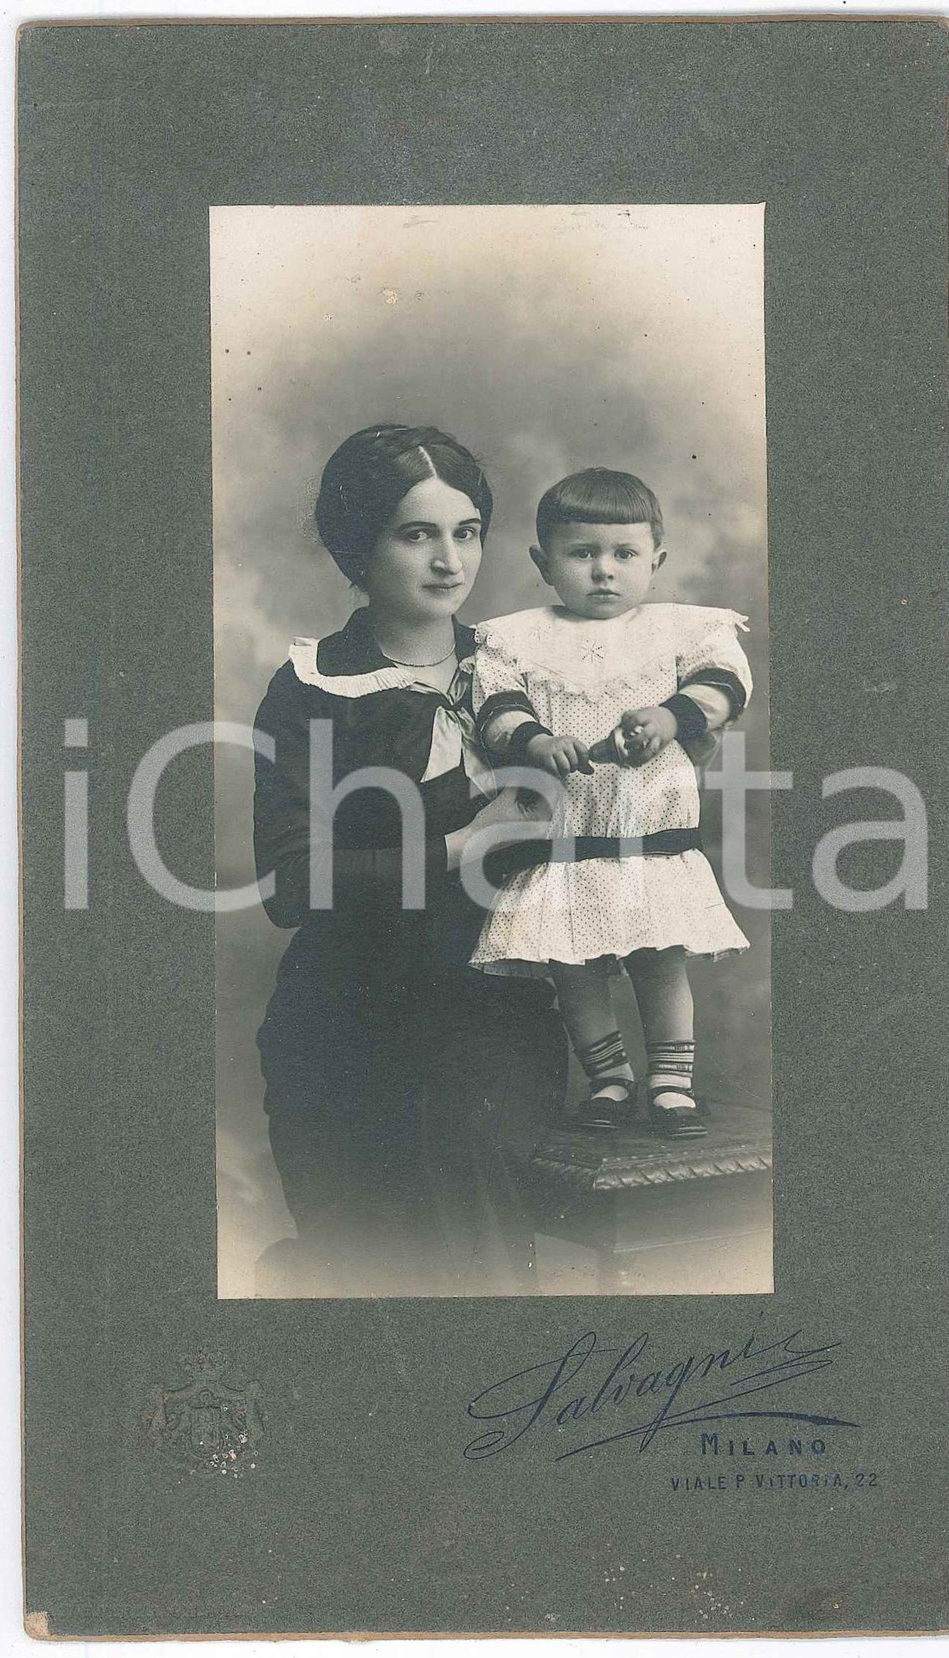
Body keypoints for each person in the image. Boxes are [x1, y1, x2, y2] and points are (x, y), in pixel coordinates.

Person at [252, 424, 567, 1295]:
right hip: (340, 1019)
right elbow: (291, 883)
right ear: (359, 545)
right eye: (416, 533)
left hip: (492, 1016)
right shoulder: (310, 687)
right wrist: (461, 847)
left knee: (458, 1145)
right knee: (354, 1262)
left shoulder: (526, 675)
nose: (449, 561)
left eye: (465, 532)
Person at [469, 466, 752, 1139]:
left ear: (655, 559)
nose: (603, 571)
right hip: (568, 837)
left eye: (624, 555)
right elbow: (496, 708)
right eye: (581, 554)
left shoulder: (682, 630)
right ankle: (609, 1079)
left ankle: (671, 1085)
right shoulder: (515, 639)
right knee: (575, 965)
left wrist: (671, 714)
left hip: (650, 832)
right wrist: (536, 741)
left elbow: (725, 684)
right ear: (544, 563)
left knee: (660, 958)